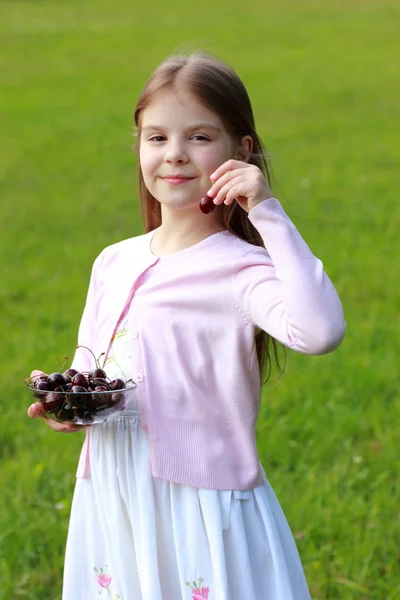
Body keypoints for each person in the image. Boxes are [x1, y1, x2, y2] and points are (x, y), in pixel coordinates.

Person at [28, 51, 346, 600]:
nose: (174, 155)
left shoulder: (242, 269)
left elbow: (319, 331)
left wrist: (267, 210)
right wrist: (68, 402)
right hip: (115, 491)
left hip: (200, 503)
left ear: (241, 151)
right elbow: (92, 370)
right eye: (156, 138)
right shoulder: (113, 261)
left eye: (199, 137)